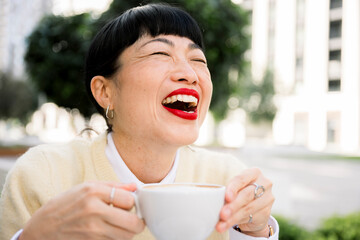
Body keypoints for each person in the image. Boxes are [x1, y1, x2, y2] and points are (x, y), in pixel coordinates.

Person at [0, 3, 278, 240]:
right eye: (160, 53)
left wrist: (257, 230)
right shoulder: (43, 174)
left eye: (198, 60)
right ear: (105, 91)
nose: (190, 74)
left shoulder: (228, 180)